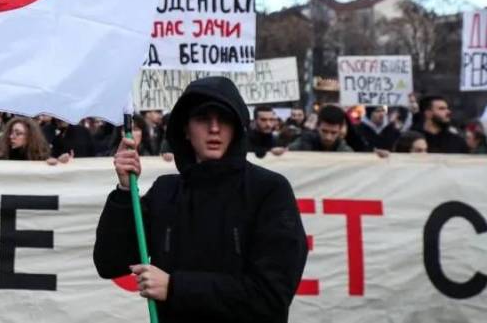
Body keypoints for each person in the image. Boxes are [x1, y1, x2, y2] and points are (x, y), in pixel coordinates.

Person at [93, 76, 307, 322]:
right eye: (203, 118)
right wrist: (123, 192)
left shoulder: (269, 190)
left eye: (224, 119)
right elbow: (110, 262)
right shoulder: (166, 191)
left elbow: (271, 296)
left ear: (237, 127)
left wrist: (175, 287)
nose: (214, 128)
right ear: (185, 129)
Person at [287, 105, 353, 152]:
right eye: (324, 131)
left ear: (340, 130)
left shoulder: (344, 150)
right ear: (317, 126)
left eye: (333, 133)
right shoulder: (303, 143)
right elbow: (285, 153)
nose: (328, 137)